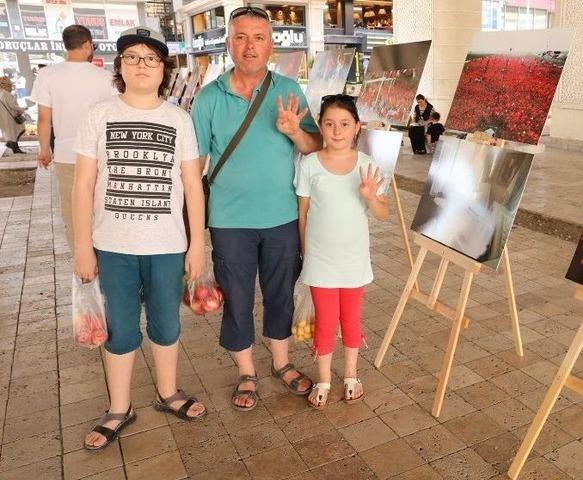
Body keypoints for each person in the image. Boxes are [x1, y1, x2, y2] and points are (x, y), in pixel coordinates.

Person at [72, 26, 208, 451]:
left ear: (164, 68)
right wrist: (82, 245)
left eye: (151, 58)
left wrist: (197, 243)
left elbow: (191, 186)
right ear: (119, 66)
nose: (142, 65)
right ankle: (119, 407)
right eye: (132, 56)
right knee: (122, 329)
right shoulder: (99, 115)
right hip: (112, 245)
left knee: (167, 325)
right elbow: (82, 184)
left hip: (167, 246)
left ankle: (168, 393)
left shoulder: (178, 119)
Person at [191, 5, 322, 411]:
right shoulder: (208, 98)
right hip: (229, 221)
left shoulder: (289, 90)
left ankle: (281, 363)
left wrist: (294, 130)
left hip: (282, 216)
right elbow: (193, 167)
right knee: (238, 296)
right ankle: (246, 372)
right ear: (229, 44)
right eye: (241, 37)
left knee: (281, 293)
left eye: (259, 37)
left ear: (271, 46)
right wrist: (193, 233)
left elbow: (315, 146)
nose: (250, 46)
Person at [296, 94, 389, 408]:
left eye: (345, 124)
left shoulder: (367, 166)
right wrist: (305, 255)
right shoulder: (309, 164)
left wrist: (370, 196)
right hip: (320, 261)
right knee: (325, 320)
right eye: (330, 124)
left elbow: (382, 213)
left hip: (354, 261)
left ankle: (351, 374)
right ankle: (323, 378)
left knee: (351, 318)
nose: (337, 131)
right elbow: (304, 213)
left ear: (357, 128)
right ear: (321, 127)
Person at [31, 24, 114, 250]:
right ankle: (105, 255)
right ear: (87, 44)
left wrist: (44, 150)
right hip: (101, 155)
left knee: (72, 210)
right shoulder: (106, 77)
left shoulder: (47, 75)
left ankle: (82, 261)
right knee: (103, 208)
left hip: (67, 154)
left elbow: (43, 119)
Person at [0, 77, 25, 154]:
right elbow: (12, 106)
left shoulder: (1, 93)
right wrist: (22, 109)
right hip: (11, 117)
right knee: (17, 131)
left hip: (4, 117)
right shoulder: (6, 94)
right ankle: (14, 147)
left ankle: (12, 145)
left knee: (11, 133)